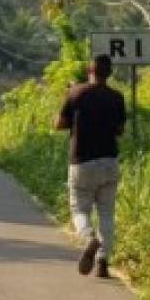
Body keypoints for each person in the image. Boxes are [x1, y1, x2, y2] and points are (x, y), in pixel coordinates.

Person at [54, 55, 127, 279]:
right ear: (109, 74)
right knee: (106, 213)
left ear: (89, 70)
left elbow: (59, 124)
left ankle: (89, 239)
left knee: (79, 210)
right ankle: (103, 261)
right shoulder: (117, 97)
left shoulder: (76, 93)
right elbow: (120, 131)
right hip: (109, 161)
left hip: (82, 161)